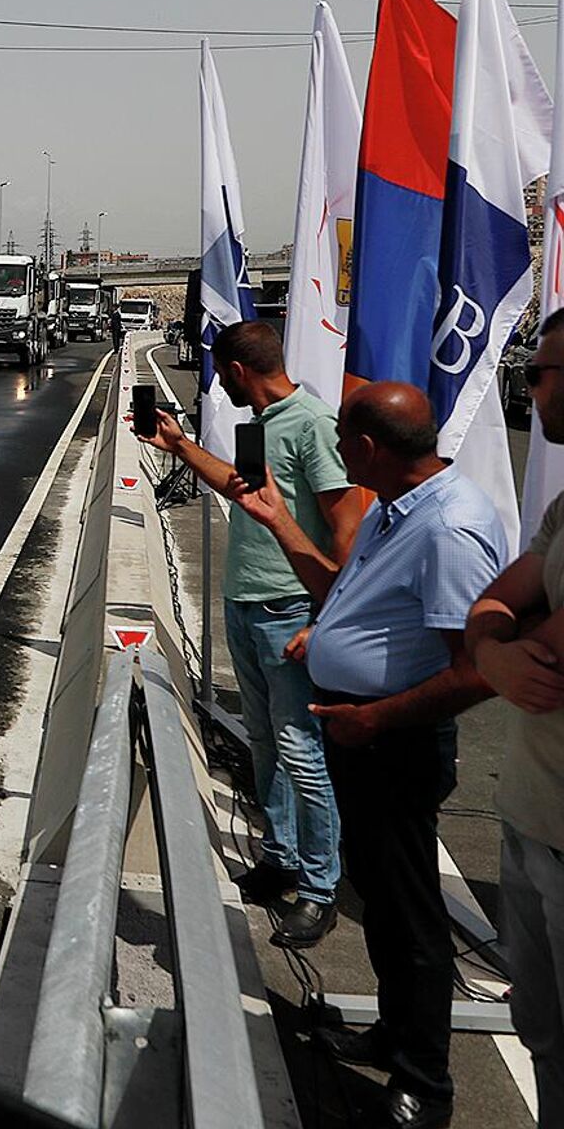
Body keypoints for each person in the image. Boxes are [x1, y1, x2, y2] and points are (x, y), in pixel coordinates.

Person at [232, 382, 507, 1129]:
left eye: (346, 447)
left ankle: (425, 1083)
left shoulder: (448, 528)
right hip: (361, 736)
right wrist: (283, 524)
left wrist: (376, 718)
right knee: (382, 906)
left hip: (396, 744)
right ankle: (392, 1034)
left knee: (413, 919)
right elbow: (338, 598)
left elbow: (476, 668)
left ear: (365, 450)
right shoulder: (395, 512)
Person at [137, 320, 360, 947]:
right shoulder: (261, 426)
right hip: (247, 604)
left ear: (235, 373)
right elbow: (246, 493)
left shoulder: (312, 423)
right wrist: (180, 447)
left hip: (292, 611)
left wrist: (326, 622)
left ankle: (319, 889)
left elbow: (349, 530)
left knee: (302, 753)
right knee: (266, 741)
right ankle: (280, 857)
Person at [465, 307, 564, 1126]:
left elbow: (547, 645)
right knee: (542, 1033)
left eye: (543, 371)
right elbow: (498, 601)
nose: (530, 384)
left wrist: (497, 644)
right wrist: (496, 648)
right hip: (530, 819)